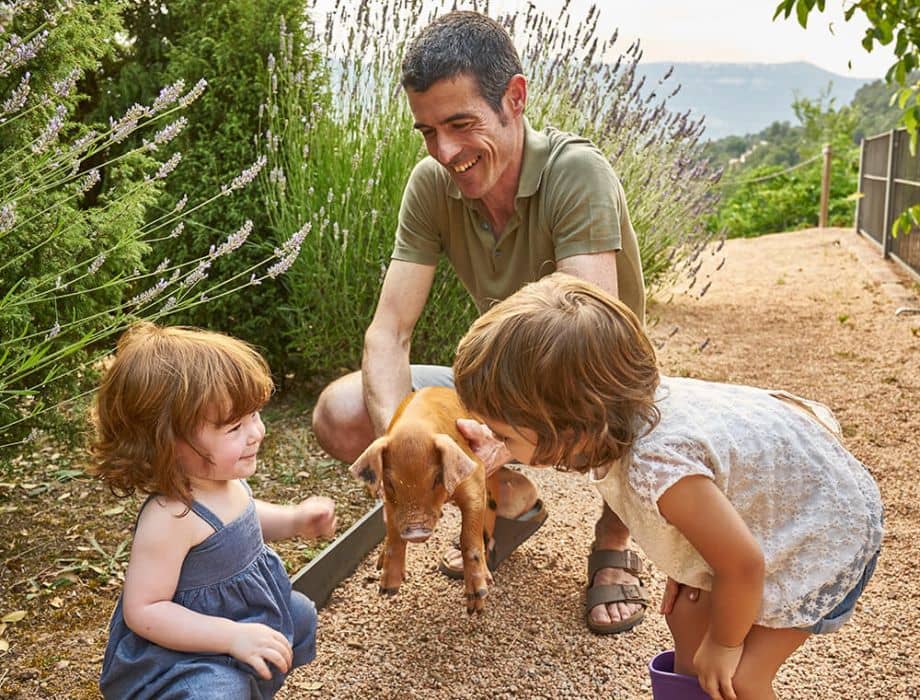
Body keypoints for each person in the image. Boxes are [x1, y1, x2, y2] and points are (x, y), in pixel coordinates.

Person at [311, 9, 650, 634]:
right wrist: (404, 444)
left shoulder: (577, 173)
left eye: (461, 124)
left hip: (585, 382)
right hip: (502, 385)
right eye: (428, 131)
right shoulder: (431, 185)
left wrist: (497, 436)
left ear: (515, 98)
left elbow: (587, 340)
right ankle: (512, 500)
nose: (445, 152)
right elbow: (388, 334)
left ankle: (614, 538)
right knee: (341, 411)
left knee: (635, 421)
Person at [452, 273, 884, 700]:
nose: (495, 441)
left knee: (739, 679)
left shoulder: (656, 466)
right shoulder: (621, 417)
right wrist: (693, 562)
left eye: (504, 434)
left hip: (826, 529)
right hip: (782, 501)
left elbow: (744, 565)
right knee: (688, 622)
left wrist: (725, 644)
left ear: (571, 427)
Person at [90, 322, 337, 699]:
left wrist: (294, 520)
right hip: (182, 652)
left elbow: (242, 519)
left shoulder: (223, 481)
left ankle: (252, 687)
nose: (257, 432)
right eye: (235, 426)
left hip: (238, 618)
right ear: (168, 443)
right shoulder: (172, 516)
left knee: (297, 614)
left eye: (254, 415)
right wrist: (231, 636)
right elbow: (145, 610)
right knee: (216, 690)